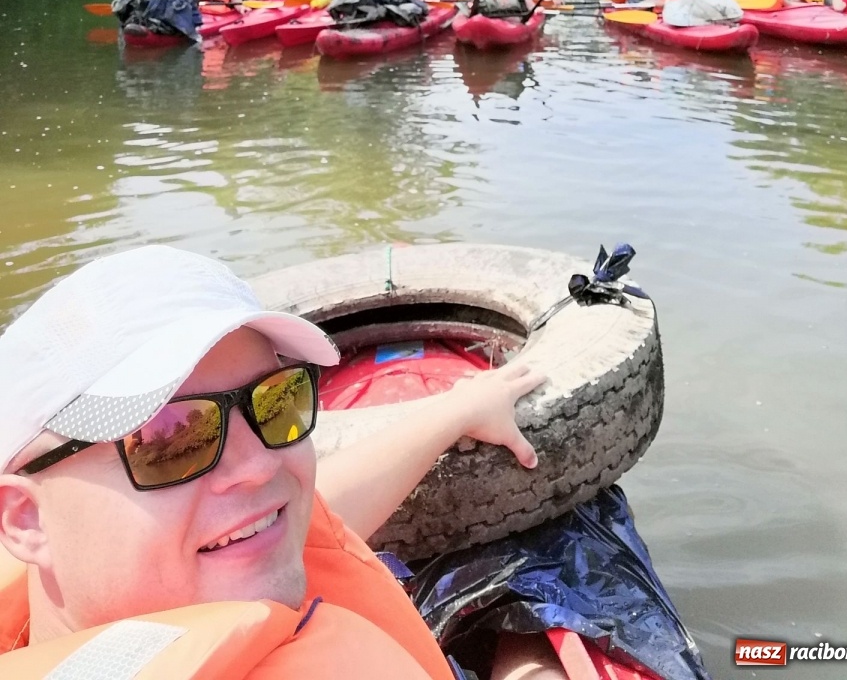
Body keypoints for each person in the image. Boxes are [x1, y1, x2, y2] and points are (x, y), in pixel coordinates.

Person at [0, 246, 547, 678]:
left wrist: (453, 412)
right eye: (171, 439)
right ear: (25, 519)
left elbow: (317, 521)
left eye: (276, 401)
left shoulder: (92, 578)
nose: (259, 465)